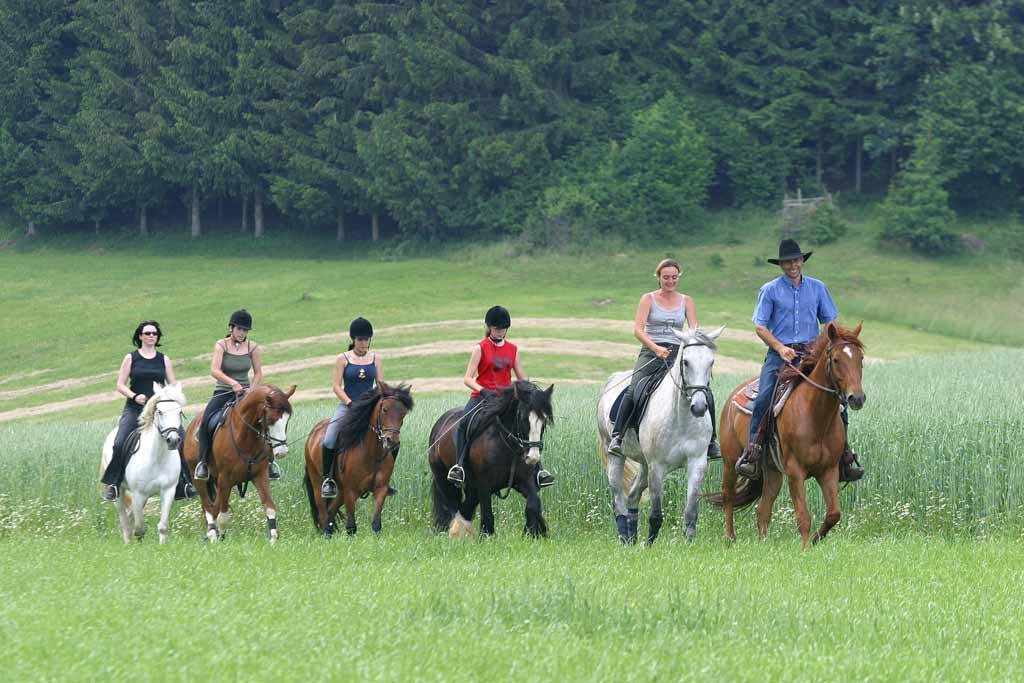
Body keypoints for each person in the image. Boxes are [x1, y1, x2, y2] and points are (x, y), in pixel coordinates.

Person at [734, 239, 864, 482]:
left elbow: (830, 323)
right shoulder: (770, 290)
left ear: (802, 261)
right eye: (787, 261)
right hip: (779, 355)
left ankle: (844, 454)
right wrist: (780, 348)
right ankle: (753, 452)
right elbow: (760, 327)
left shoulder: (817, 288)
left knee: (839, 399)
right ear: (781, 264)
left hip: (811, 355)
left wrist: (824, 345)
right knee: (764, 397)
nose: (793, 264)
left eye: (796, 260)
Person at [607, 258, 721, 459]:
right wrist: (655, 348)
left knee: (704, 390)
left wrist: (694, 347)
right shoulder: (648, 299)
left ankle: (711, 441)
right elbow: (638, 330)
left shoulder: (687, 301)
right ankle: (618, 435)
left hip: (678, 352)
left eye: (674, 277)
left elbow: (693, 330)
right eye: (666, 277)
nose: (670, 281)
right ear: (658, 278)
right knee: (634, 389)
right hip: (651, 351)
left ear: (678, 278)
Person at [447, 306, 555, 488]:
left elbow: (522, 378)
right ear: (489, 327)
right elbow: (467, 378)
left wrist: (532, 394)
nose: (499, 332)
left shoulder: (513, 349)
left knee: (528, 425)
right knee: (465, 422)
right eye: (496, 329)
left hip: (507, 398)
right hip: (482, 396)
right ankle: (460, 466)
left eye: (502, 329)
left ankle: (539, 470)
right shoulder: (480, 348)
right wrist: (482, 390)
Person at [101, 321, 194, 501]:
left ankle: (185, 484)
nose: (152, 336)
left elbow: (172, 383)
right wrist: (135, 396)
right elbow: (120, 384)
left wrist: (174, 396)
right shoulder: (131, 358)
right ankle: (114, 483)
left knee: (181, 441)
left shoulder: (164, 359)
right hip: (136, 408)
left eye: (155, 334)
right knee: (120, 442)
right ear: (140, 336)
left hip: (160, 412)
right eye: (148, 333)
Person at [193, 309, 273, 481]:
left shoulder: (253, 347)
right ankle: (203, 463)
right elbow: (214, 370)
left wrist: (252, 388)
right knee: (206, 421)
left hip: (246, 393)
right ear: (231, 328)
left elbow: (258, 372)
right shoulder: (221, 345)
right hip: (224, 391)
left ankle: (270, 463)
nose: (242, 333)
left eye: (245, 330)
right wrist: (233, 383)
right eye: (239, 329)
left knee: (266, 418)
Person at [320, 317, 389, 499]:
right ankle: (328, 480)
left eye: (366, 339)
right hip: (348, 406)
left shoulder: (376, 358)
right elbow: (336, 386)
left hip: (369, 408)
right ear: (353, 339)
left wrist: (379, 401)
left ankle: (385, 479)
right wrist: (350, 403)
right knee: (329, 438)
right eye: (360, 339)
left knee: (390, 438)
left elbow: (380, 384)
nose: (363, 343)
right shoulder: (342, 359)